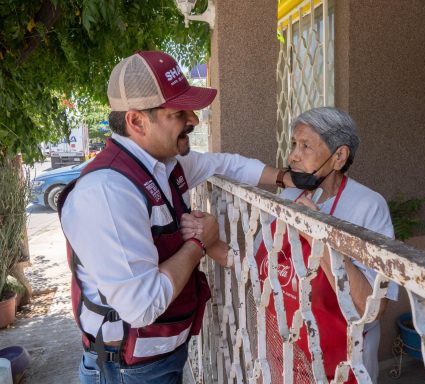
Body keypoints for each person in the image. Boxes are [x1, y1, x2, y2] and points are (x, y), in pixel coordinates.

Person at [58, 50, 289, 384]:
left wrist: (284, 178)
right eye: (179, 113)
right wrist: (200, 242)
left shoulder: (163, 165)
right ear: (136, 121)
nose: (193, 120)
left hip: (157, 359)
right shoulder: (108, 192)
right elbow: (141, 307)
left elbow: (225, 164)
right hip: (129, 370)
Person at [182, 107, 398, 383]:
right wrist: (209, 242)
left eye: (305, 146)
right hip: (281, 355)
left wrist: (318, 235)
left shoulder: (368, 206)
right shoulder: (290, 195)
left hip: (340, 366)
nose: (291, 156)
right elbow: (256, 265)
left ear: (339, 156)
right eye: (294, 144)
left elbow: (372, 309)